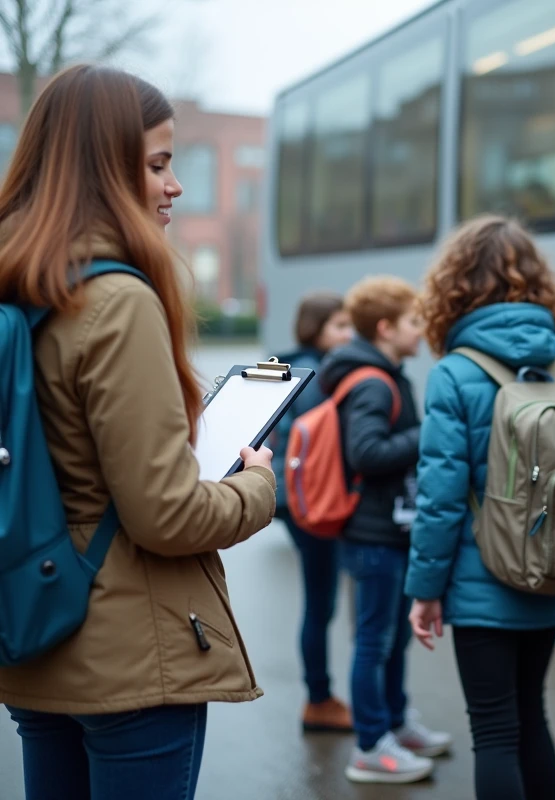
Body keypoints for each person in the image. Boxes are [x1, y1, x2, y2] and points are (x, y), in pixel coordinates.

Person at [0, 65, 277, 800]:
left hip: (36, 638)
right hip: (131, 661)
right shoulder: (116, 301)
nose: (175, 185)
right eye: (157, 164)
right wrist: (257, 485)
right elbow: (166, 514)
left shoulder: (19, 284)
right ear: (103, 169)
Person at [407, 215, 555, 800]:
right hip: (548, 574)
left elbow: (441, 498)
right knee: (534, 719)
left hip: (482, 583)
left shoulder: (454, 374)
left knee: (494, 732)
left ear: (455, 287)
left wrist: (425, 590)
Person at [318, 276, 452, 784]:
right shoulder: (373, 382)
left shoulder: (385, 373)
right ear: (385, 327)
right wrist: (425, 432)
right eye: (414, 323)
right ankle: (371, 745)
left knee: (391, 639)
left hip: (390, 529)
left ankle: (395, 722)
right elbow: (366, 453)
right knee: (374, 640)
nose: (421, 333)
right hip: (372, 535)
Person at [270, 291, 355, 732]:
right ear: (316, 327)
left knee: (317, 597)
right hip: (310, 501)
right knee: (320, 602)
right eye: (340, 326)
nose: (348, 335)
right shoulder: (320, 375)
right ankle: (318, 699)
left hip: (287, 496)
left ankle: (319, 695)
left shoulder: (287, 365)